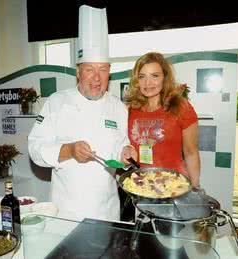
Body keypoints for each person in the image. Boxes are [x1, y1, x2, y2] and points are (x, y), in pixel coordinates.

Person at [28, 5, 136, 221]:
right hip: (68, 213)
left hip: (108, 212)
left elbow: (119, 147)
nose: (97, 78)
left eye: (103, 70)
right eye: (89, 70)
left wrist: (124, 154)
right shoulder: (56, 102)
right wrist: (69, 150)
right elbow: (35, 149)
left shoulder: (118, 106)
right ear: (78, 73)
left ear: (109, 73)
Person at [125, 52, 200, 187]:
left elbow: (191, 152)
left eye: (155, 76)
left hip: (174, 185)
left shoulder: (181, 107)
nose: (148, 83)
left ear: (165, 78)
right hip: (141, 186)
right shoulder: (130, 110)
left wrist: (195, 187)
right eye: (142, 77)